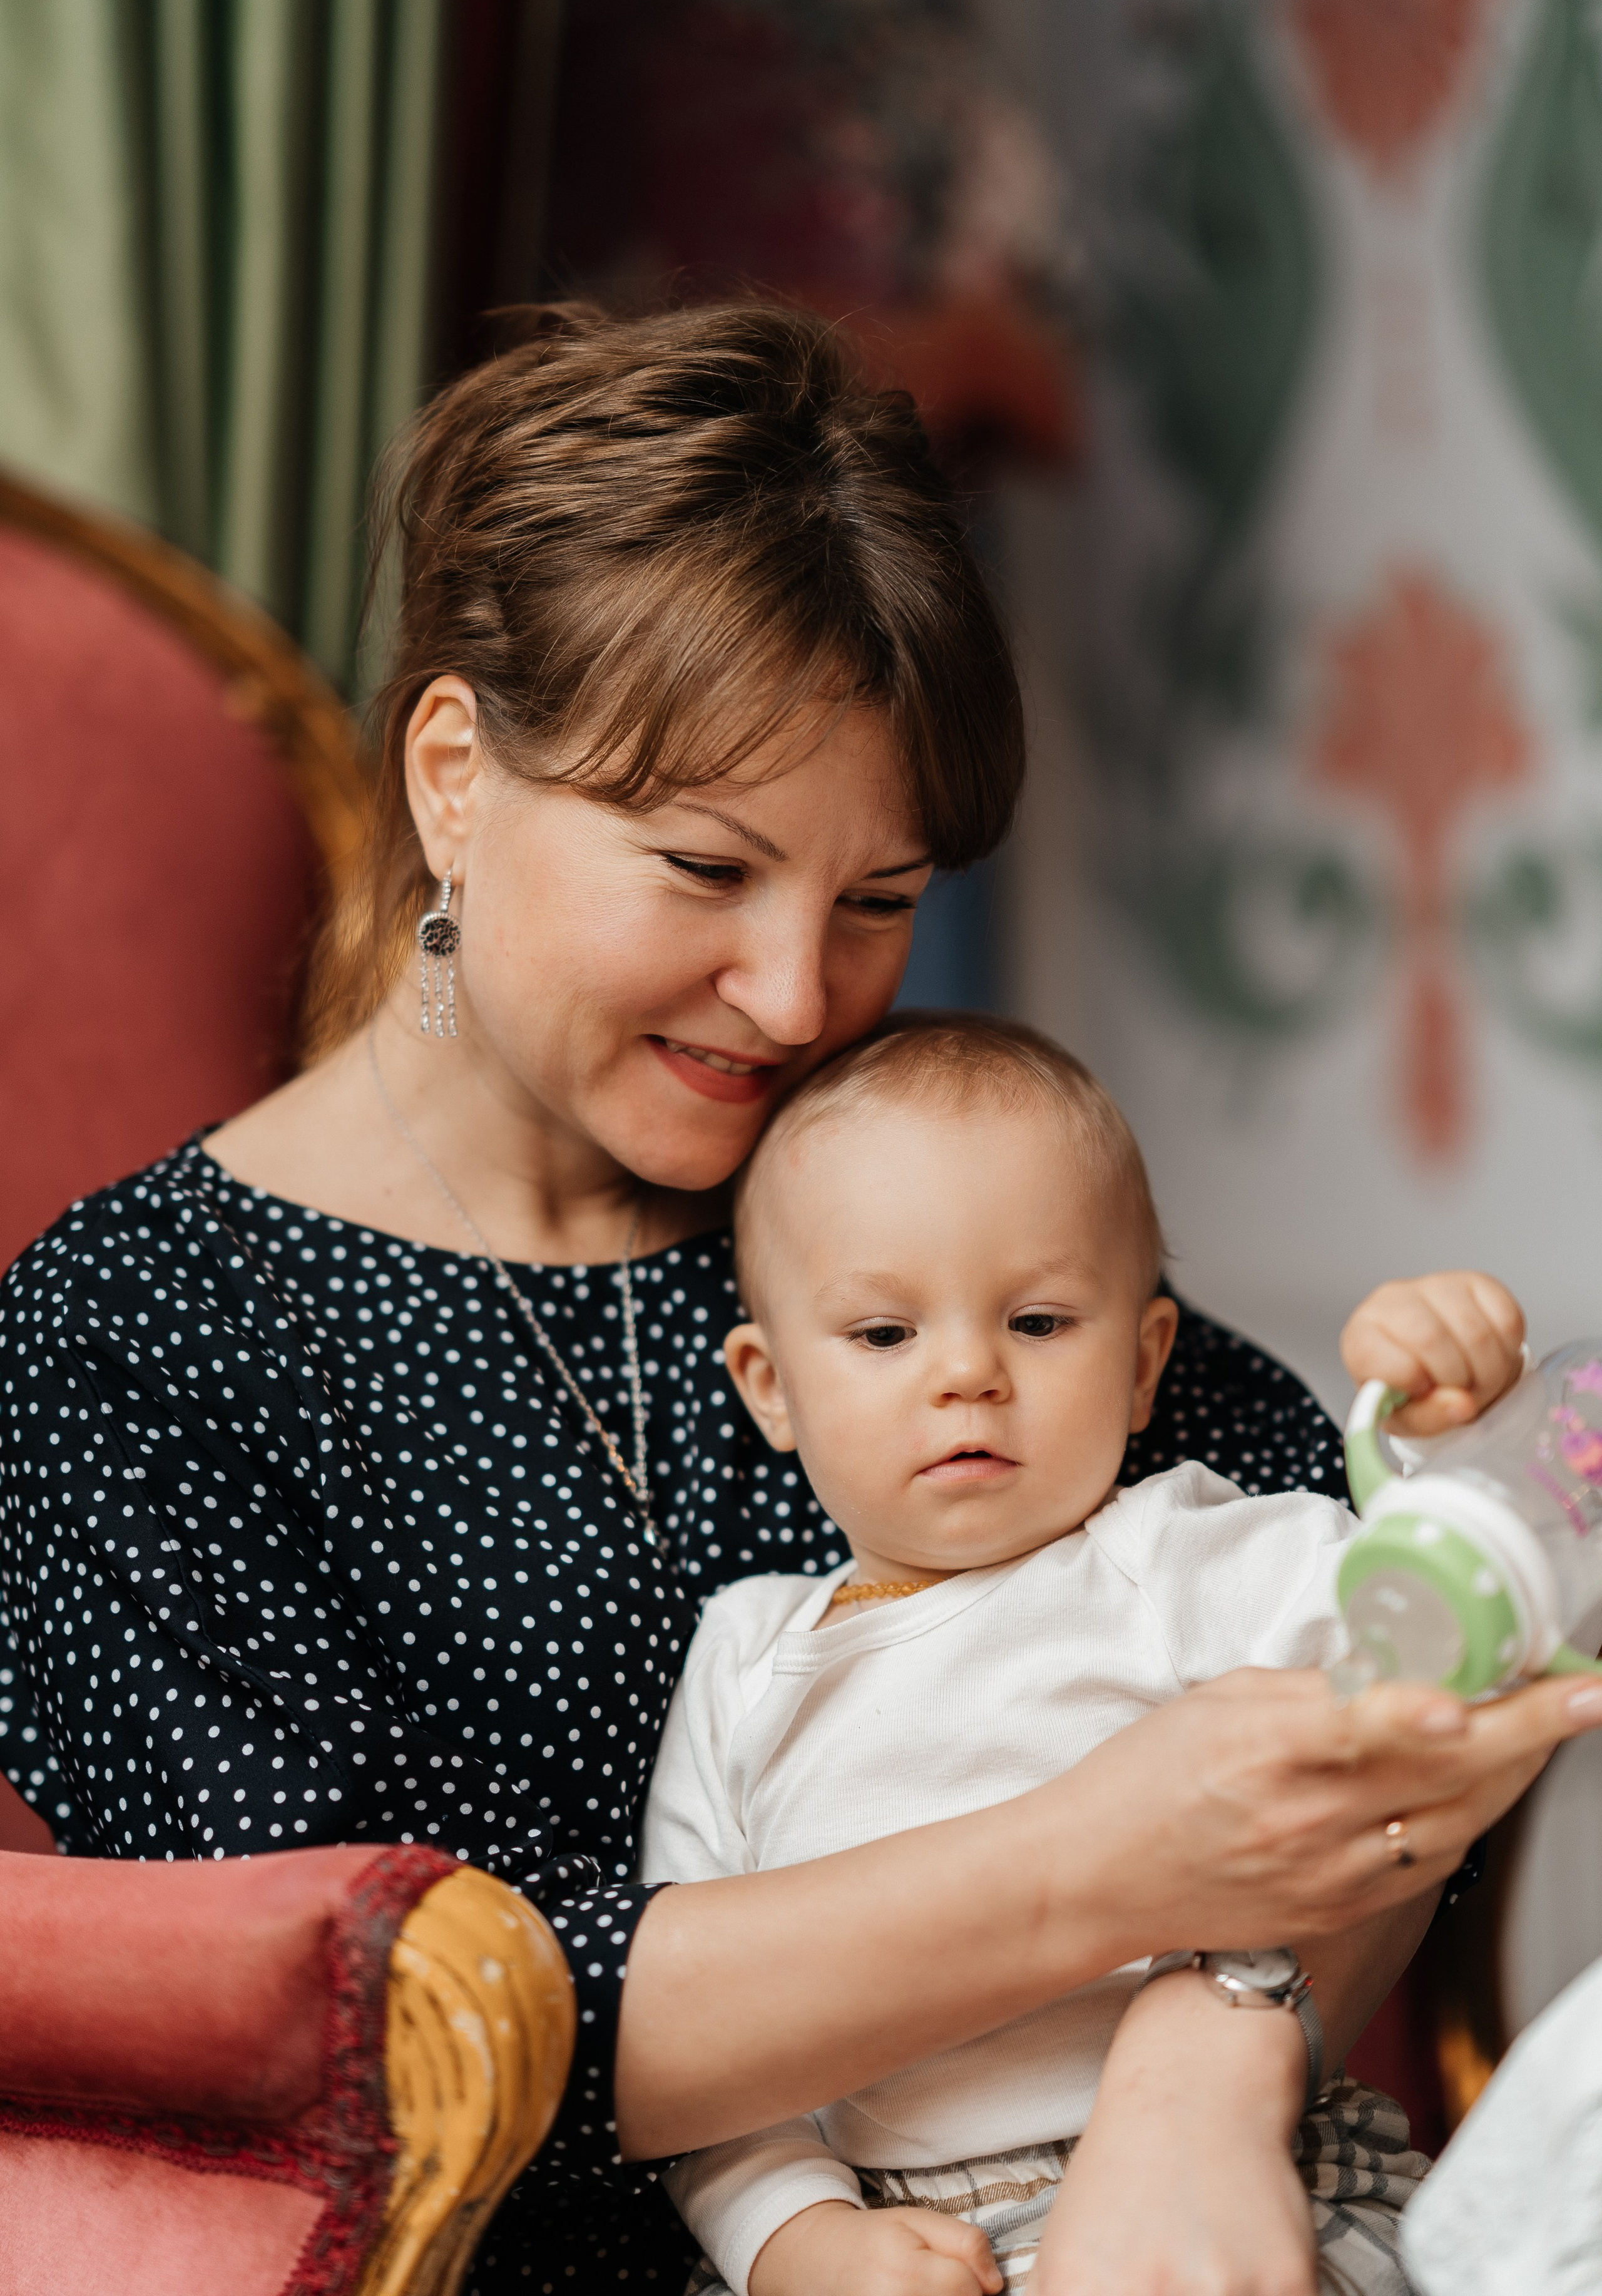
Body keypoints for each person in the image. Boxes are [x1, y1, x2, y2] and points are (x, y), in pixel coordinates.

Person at [0, 304, 1591, 2296]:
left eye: (878, 901)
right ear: (458, 777)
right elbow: (363, 2041)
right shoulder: (127, 1344)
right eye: (704, 870)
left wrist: (1204, 2067)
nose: (792, 998)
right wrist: (1107, 1863)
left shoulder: (893, 1203)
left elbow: (1395, 1684)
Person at [644, 1015, 1433, 2296]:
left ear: (1142, 1362)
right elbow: (702, 2040)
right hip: (892, 2231)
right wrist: (793, 2237)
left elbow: (1437, 1635)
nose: (968, 1372)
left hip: (1218, 2168)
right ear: (769, 1384)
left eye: (1039, 1321)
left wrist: (1440, 1432)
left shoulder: (1180, 1556)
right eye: (884, 1335)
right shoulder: (743, 1657)